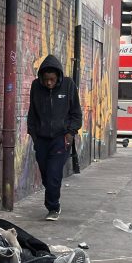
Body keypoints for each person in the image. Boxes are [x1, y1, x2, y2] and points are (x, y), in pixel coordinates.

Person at [26, 54, 82, 221]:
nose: (48, 83)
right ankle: (52, 196)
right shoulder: (36, 86)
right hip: (42, 138)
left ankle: (53, 207)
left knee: (53, 173)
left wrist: (70, 132)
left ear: (57, 77)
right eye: (45, 79)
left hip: (61, 138)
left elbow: (76, 113)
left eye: (51, 79)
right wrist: (33, 134)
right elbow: (32, 113)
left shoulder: (68, 85)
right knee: (45, 174)